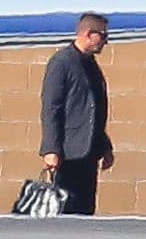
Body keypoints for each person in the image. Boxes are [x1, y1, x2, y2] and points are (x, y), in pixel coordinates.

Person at [39, 12, 114, 215]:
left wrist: (105, 146)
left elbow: (92, 109)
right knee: (64, 207)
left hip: (88, 151)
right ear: (89, 34)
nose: (105, 42)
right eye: (103, 36)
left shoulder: (90, 64)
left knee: (85, 209)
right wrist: (51, 149)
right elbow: (51, 108)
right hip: (68, 151)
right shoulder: (62, 62)